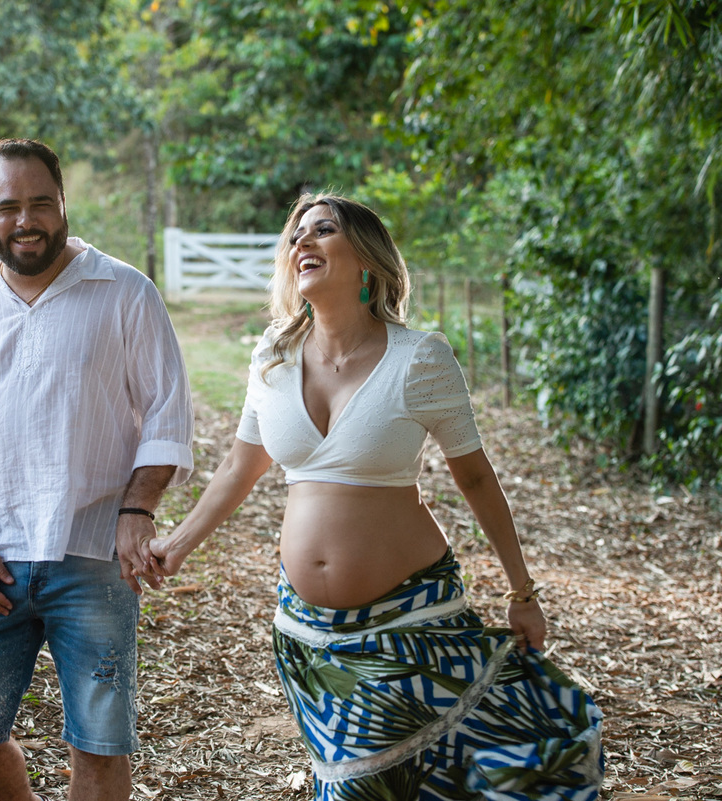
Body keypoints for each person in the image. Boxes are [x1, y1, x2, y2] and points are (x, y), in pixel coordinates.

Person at [149, 194, 603, 799]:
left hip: (411, 620)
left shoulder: (420, 358)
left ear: (367, 258)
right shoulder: (273, 355)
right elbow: (239, 466)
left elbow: (475, 477)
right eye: (296, 235)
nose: (302, 242)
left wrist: (522, 592)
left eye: (323, 230)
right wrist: (177, 545)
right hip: (307, 636)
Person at [0, 138, 194, 801]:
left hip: (94, 555)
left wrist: (137, 509)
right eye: (8, 206)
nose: (26, 221)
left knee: (99, 743)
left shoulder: (124, 292)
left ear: (64, 203)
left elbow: (167, 417)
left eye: (41, 203)